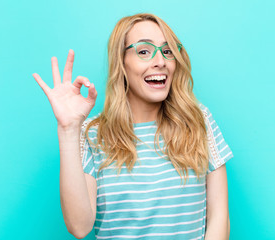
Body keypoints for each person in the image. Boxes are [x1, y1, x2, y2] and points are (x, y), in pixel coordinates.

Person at [33, 13, 233, 240]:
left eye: (167, 51)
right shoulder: (92, 134)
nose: (160, 61)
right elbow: (79, 227)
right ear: (121, 62)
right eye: (144, 51)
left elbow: (219, 217)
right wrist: (69, 130)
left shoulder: (199, 121)